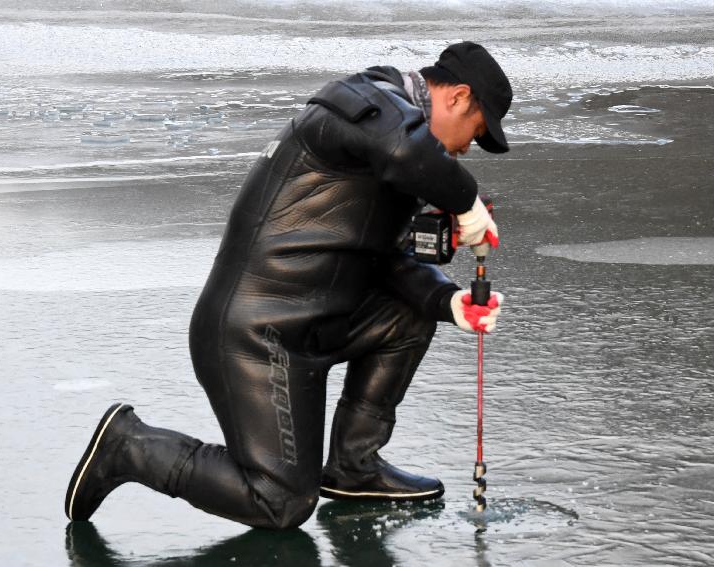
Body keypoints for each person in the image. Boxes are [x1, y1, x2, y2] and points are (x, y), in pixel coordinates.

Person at [65, 41, 510, 530]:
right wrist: (466, 200)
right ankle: (129, 445)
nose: (466, 148)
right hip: (257, 332)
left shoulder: (391, 148)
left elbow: (389, 258)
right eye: (476, 132)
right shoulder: (359, 102)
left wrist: (448, 301)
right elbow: (405, 148)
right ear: (459, 97)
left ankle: (354, 467)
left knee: (411, 313)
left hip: (317, 321)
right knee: (280, 502)